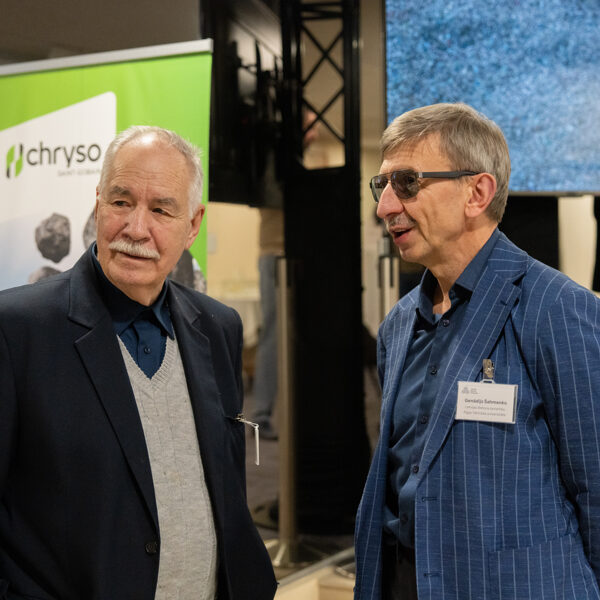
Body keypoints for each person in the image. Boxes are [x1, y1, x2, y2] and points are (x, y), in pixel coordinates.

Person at [0, 126, 277, 600]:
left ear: (193, 225)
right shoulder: (18, 330)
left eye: (161, 210)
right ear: (98, 204)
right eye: (121, 201)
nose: (135, 228)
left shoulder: (218, 327)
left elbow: (225, 488)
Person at [354, 103, 600, 599]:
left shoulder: (557, 308)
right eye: (382, 186)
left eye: (407, 183)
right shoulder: (399, 325)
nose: (385, 207)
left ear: (477, 193)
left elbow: (595, 486)